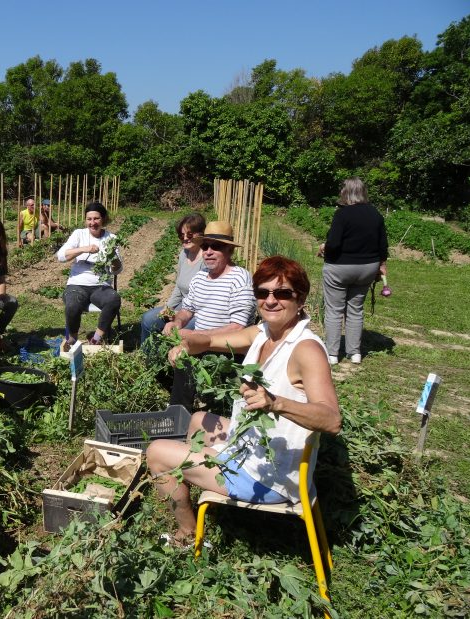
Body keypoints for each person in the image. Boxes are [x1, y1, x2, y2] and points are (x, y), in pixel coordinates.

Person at [146, 256, 342, 545]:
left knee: (156, 453)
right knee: (198, 420)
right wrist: (187, 344)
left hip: (269, 474)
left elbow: (332, 420)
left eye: (282, 293)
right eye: (263, 292)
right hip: (252, 447)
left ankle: (186, 536)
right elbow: (211, 341)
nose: (270, 301)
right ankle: (203, 478)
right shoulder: (264, 333)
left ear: (300, 299)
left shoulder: (306, 350)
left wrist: (275, 403)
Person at [161, 220, 256, 408]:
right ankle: (183, 407)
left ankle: (181, 413)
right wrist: (176, 323)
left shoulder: (239, 279)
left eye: (216, 247)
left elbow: (238, 328)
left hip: (229, 349)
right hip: (202, 343)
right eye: (205, 246)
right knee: (165, 357)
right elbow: (187, 310)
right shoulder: (200, 277)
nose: (208, 252)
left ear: (229, 250)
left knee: (184, 359)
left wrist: (195, 336)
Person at [317, 177, 388, 365]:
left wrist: (324, 247)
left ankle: (332, 354)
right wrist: (382, 265)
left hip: (340, 268)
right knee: (355, 310)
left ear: (345, 192)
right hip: (367, 269)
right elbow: (383, 245)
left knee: (334, 310)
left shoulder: (342, 214)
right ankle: (354, 353)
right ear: (363, 192)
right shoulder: (376, 214)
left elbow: (334, 243)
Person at [56, 201, 122, 349]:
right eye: (89, 219)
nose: (92, 223)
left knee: (113, 299)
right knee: (72, 305)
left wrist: (113, 258)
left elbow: (117, 270)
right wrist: (83, 249)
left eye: (96, 218)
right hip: (77, 284)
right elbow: (61, 256)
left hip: (100, 286)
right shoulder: (79, 234)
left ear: (103, 219)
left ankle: (96, 338)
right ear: (85, 220)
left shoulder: (111, 238)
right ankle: (72, 339)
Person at [139, 213, 206, 345]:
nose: (185, 238)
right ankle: (146, 354)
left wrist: (178, 314)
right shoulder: (184, 254)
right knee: (148, 319)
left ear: (200, 234)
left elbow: (203, 299)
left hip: (198, 311)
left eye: (189, 235)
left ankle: (172, 355)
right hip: (183, 307)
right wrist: (168, 307)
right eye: (181, 235)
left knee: (178, 332)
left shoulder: (206, 259)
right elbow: (179, 286)